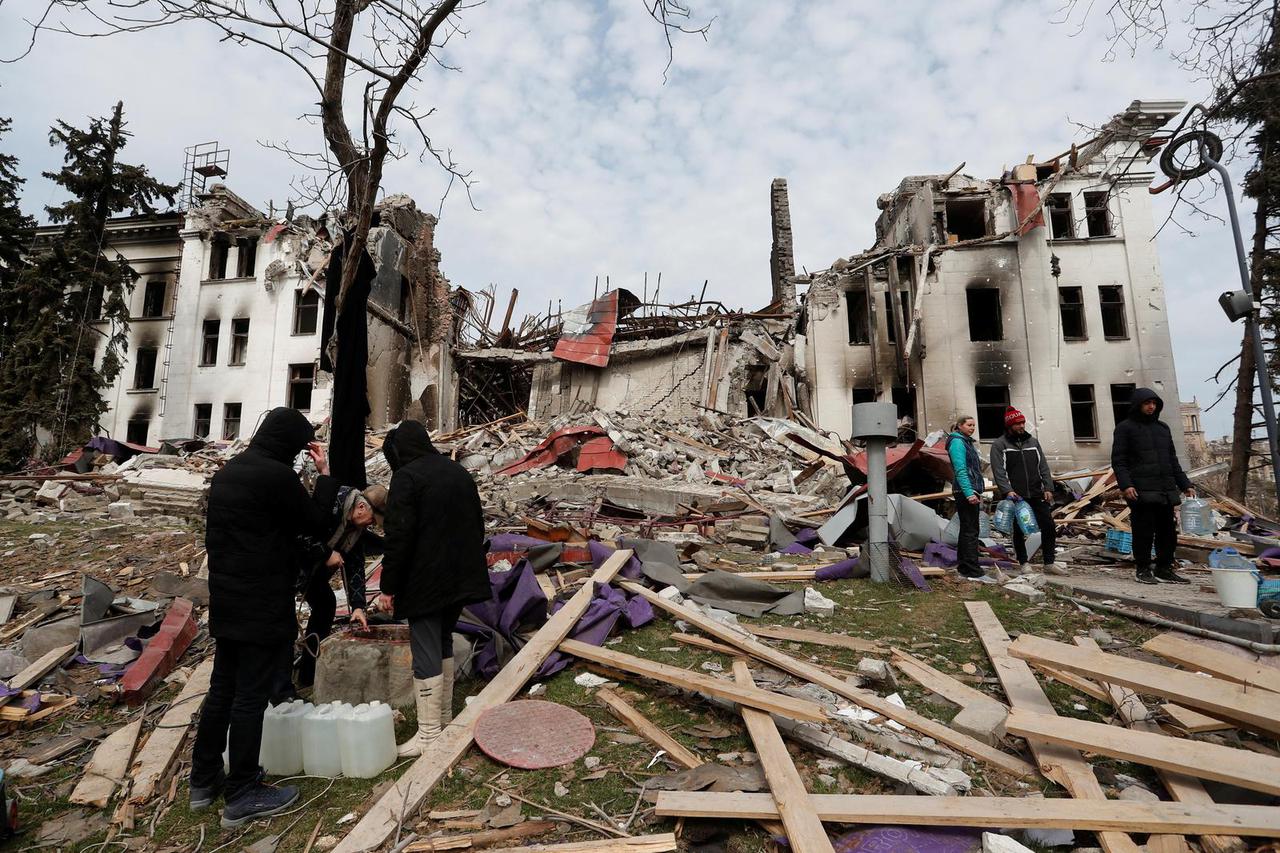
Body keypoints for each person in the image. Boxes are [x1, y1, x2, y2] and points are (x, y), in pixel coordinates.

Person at [190, 407, 333, 828]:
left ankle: (204, 780)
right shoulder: (276, 476)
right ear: (290, 443)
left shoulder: (230, 472)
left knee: (222, 691)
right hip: (262, 604)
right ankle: (242, 791)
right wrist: (324, 475)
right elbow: (318, 524)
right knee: (250, 697)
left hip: (229, 600)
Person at [379, 420, 489, 758]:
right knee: (441, 641)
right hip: (460, 576)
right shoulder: (457, 471)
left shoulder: (407, 478)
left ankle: (428, 736)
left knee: (426, 647)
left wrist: (388, 586)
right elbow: (477, 522)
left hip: (425, 579)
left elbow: (399, 537)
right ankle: (442, 720)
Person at [273, 451, 387, 700]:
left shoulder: (355, 529)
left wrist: (358, 607)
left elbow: (355, 566)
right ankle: (278, 689)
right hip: (287, 567)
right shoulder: (331, 500)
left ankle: (307, 673)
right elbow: (299, 532)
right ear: (360, 507)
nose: (370, 525)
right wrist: (325, 553)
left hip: (313, 572)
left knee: (325, 605)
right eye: (371, 520)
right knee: (283, 626)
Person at [1112, 387, 1195, 585]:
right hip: (1140, 490)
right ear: (1138, 405)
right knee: (1143, 532)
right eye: (1147, 403)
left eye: (1154, 403)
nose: (1151, 407)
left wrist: (1185, 484)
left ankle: (1164, 568)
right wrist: (1126, 485)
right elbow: (1119, 460)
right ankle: (1142, 568)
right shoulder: (1125, 428)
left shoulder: (1163, 428)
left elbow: (1172, 460)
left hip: (1165, 489)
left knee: (1168, 532)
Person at [989, 406, 1066, 576]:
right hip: (1016, 496)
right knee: (1018, 530)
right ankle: (1024, 562)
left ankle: (1049, 562)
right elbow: (998, 471)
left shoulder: (1033, 442)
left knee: (1048, 526)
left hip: (1037, 492)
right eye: (1017, 424)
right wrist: (1007, 490)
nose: (1022, 426)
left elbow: (1043, 466)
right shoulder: (999, 445)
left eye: (1023, 422)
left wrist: (1048, 487)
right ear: (1009, 426)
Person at [947, 415, 986, 579]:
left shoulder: (966, 442)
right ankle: (972, 569)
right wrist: (969, 493)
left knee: (967, 529)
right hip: (965, 491)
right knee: (970, 530)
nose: (972, 428)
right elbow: (960, 469)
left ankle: (964, 566)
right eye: (969, 425)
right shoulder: (957, 442)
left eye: (974, 425)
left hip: (968, 490)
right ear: (960, 426)